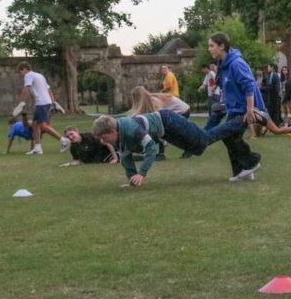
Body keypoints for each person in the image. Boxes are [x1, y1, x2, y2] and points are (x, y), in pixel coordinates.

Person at [93, 108, 255, 186]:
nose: (103, 141)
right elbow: (126, 158)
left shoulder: (129, 128)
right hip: (166, 131)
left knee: (203, 140)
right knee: (197, 148)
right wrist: (132, 180)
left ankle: (242, 119)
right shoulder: (119, 138)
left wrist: (141, 174)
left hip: (169, 121)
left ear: (112, 131)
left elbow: (150, 148)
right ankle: (221, 116)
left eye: (104, 137)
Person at [205, 32, 267, 180]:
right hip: (234, 109)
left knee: (227, 135)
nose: (209, 49)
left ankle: (251, 162)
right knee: (230, 137)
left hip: (245, 110)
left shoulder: (236, 63)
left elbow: (249, 85)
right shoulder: (223, 65)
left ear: (222, 46)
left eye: (211, 46)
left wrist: (250, 109)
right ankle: (241, 172)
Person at [127, 86, 191, 160]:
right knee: (167, 131)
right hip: (180, 110)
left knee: (167, 131)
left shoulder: (154, 101)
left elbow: (160, 119)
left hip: (182, 111)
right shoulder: (149, 100)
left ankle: (163, 153)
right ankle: (161, 153)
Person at [14, 62, 66, 155]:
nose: (20, 75)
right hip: (45, 102)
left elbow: (26, 89)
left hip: (42, 103)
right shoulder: (39, 75)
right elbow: (49, 89)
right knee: (35, 125)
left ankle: (63, 140)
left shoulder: (28, 75)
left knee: (42, 126)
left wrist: (21, 103)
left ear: (24, 69)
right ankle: (37, 148)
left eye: (19, 72)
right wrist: (53, 102)